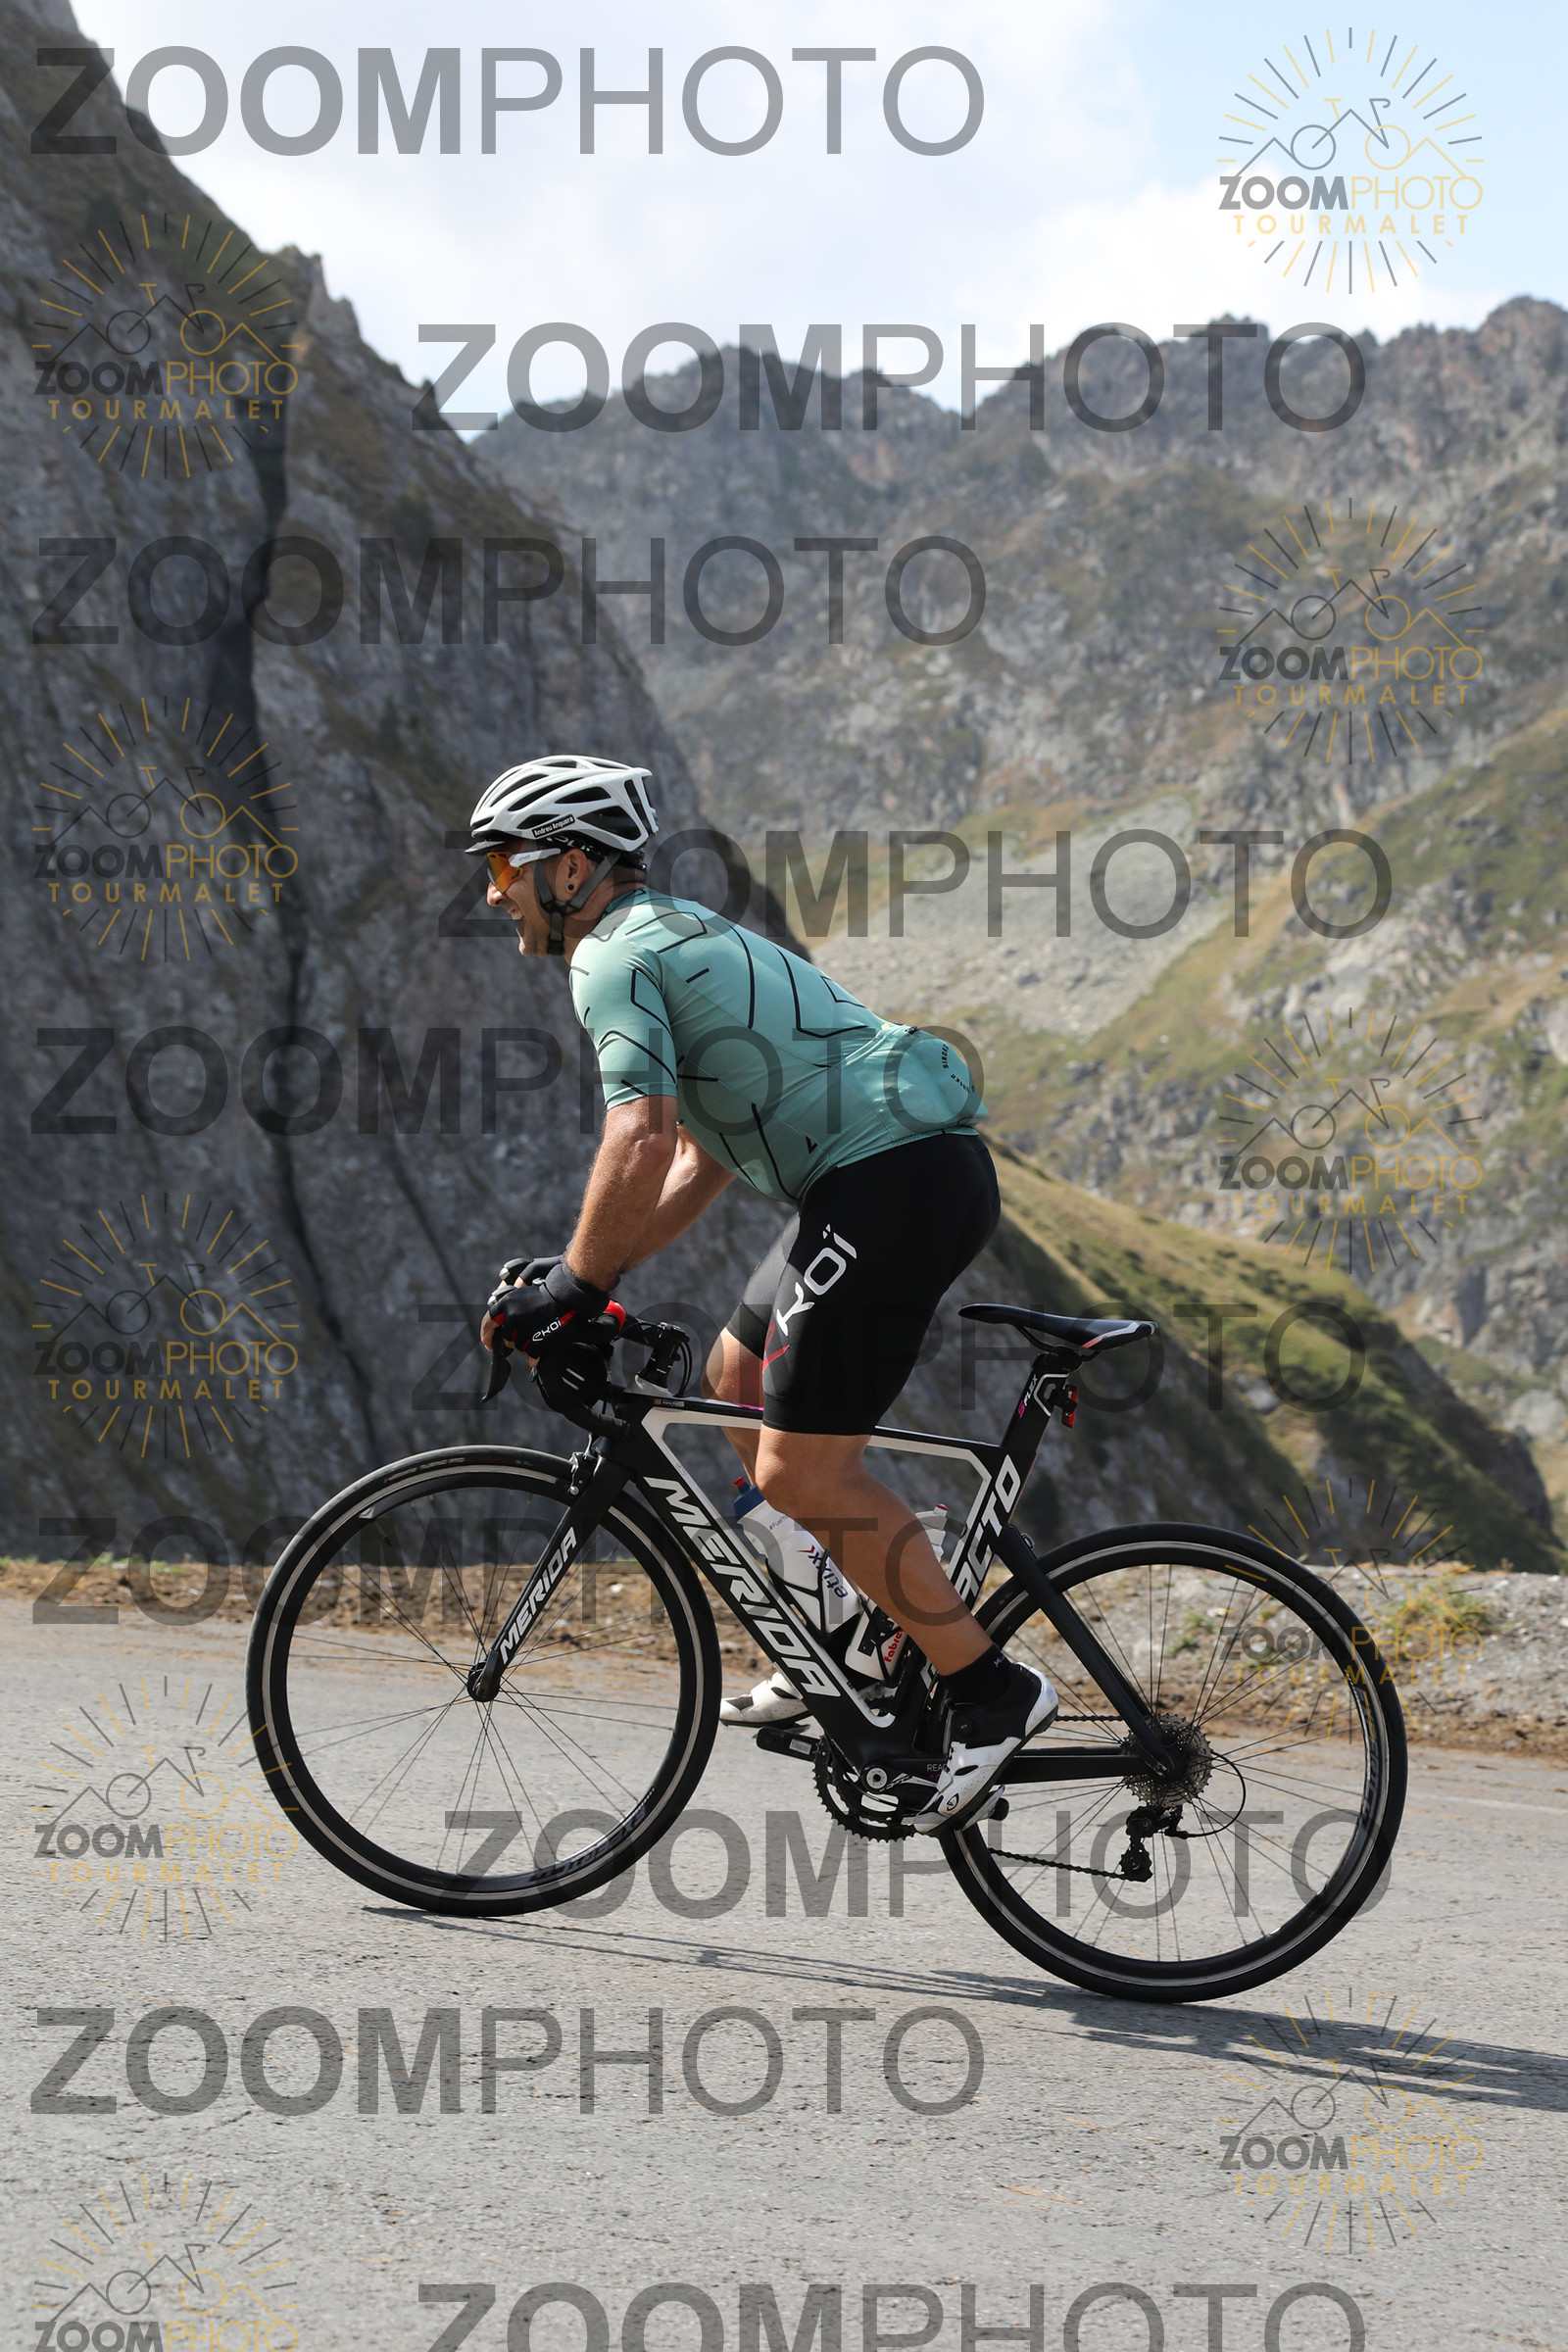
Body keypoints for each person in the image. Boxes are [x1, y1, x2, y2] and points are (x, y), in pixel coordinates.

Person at [470, 752, 1055, 1832]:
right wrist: (593, 1283)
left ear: (572, 867)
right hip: (887, 1175)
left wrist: (571, 1283)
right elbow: (699, 1157)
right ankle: (847, 1633)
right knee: (737, 1377)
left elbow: (639, 1139)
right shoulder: (674, 933)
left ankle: (991, 1691)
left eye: (504, 864)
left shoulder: (610, 956)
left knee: (801, 1469)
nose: (493, 890)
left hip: (892, 1179)